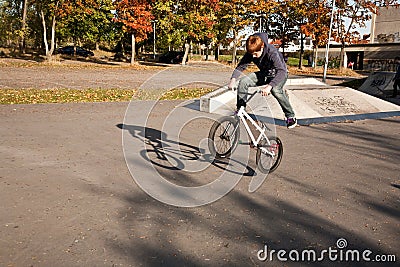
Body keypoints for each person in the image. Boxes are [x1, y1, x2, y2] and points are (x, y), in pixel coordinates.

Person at [228, 32, 297, 129]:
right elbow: (241, 66)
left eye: (256, 54)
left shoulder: (271, 52)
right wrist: (233, 79)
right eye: (252, 54)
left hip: (279, 74)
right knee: (243, 81)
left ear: (262, 47)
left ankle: (290, 116)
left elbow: (281, 71)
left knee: (275, 90)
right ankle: (241, 109)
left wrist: (269, 86)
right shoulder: (252, 52)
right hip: (265, 73)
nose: (254, 57)